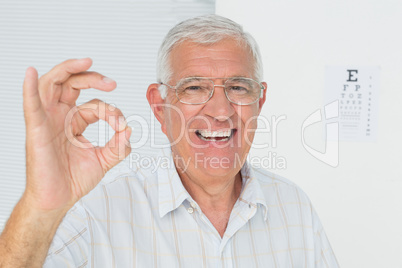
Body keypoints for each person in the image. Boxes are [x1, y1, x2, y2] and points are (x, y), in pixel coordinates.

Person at [0, 15, 339, 267]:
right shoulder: (96, 212)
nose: (221, 110)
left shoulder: (295, 209)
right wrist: (41, 203)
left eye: (238, 87)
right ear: (160, 108)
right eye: (194, 88)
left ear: (259, 101)